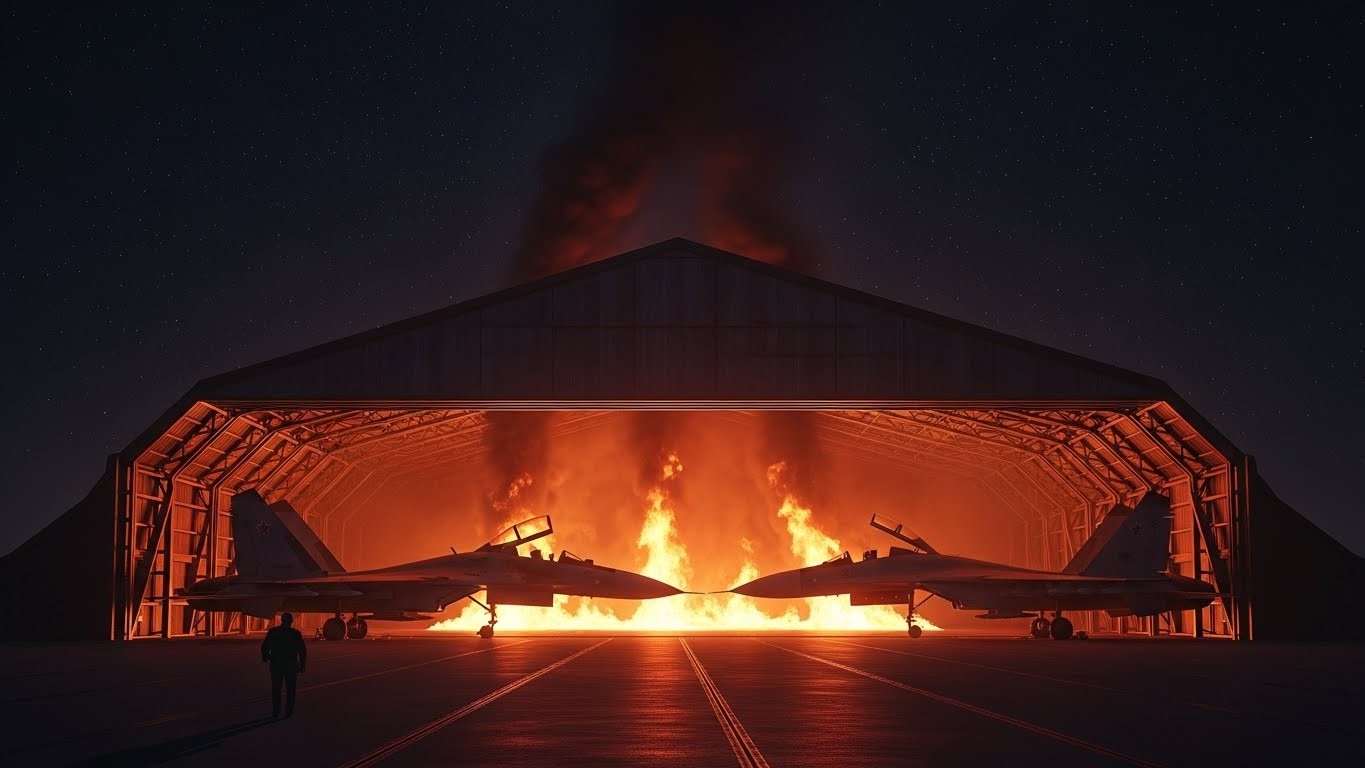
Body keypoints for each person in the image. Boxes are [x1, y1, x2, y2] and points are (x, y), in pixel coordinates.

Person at [260, 612, 307, 718]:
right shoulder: (296, 633)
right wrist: (302, 664)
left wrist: (266, 657)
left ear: (281, 620)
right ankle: (289, 711)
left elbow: (265, 646)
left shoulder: (273, 631)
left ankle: (276, 711)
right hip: (291, 665)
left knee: (276, 689)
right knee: (291, 690)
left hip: (276, 665)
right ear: (291, 621)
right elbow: (302, 651)